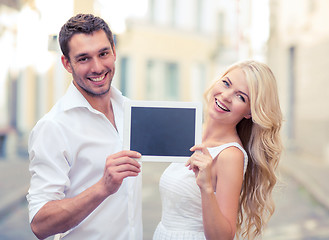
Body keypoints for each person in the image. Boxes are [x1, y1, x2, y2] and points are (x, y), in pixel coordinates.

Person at [26, 14, 143, 240]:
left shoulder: (130, 111)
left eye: (103, 53)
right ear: (66, 64)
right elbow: (40, 224)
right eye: (83, 59)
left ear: (114, 51)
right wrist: (102, 187)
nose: (98, 67)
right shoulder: (53, 127)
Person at [153, 60, 283, 240]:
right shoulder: (193, 133)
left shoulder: (230, 155)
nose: (226, 96)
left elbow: (223, 237)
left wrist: (206, 187)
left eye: (241, 97)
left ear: (249, 112)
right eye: (226, 83)